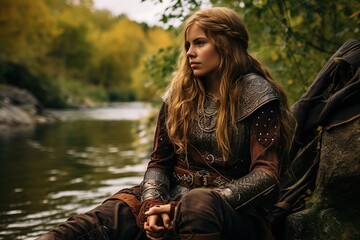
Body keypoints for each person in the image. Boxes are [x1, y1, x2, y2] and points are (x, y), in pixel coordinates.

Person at [37, 7, 295, 240]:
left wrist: (184, 207)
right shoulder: (179, 95)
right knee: (85, 227)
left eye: (200, 43)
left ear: (226, 45)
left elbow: (266, 175)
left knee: (197, 205)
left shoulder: (258, 95)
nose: (190, 52)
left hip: (229, 210)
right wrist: (152, 204)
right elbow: (160, 162)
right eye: (187, 45)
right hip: (170, 194)